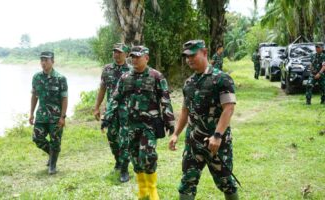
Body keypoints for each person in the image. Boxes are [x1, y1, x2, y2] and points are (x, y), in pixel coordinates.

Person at [102, 46, 175, 200]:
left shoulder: (156, 76)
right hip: (130, 125)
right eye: (132, 57)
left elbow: (165, 99)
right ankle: (143, 190)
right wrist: (107, 117)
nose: (134, 60)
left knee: (147, 155)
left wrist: (169, 121)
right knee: (135, 157)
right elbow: (115, 98)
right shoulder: (125, 77)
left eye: (138, 57)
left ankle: (152, 189)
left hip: (149, 125)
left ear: (146, 58)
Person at [169, 40, 239, 200]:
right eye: (186, 56)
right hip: (193, 142)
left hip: (217, 144)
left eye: (193, 55)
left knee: (226, 182)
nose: (189, 59)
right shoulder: (189, 83)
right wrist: (176, 134)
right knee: (187, 183)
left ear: (205, 53)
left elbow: (229, 108)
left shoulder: (222, 79)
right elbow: (185, 111)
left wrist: (217, 135)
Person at [93, 43, 131, 182]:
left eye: (119, 52)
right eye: (114, 52)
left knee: (125, 139)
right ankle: (118, 160)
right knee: (112, 137)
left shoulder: (132, 70)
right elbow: (102, 89)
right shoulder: (107, 69)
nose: (116, 54)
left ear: (126, 54)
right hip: (111, 110)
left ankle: (125, 169)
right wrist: (97, 107)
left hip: (127, 110)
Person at [29, 51, 68, 175]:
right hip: (41, 115)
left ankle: (52, 165)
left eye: (46, 60)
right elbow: (34, 96)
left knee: (55, 140)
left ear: (53, 61)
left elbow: (64, 98)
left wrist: (63, 117)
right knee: (37, 138)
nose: (43, 63)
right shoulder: (36, 77)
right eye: (42, 60)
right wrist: (31, 113)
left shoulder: (60, 78)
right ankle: (52, 154)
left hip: (55, 117)